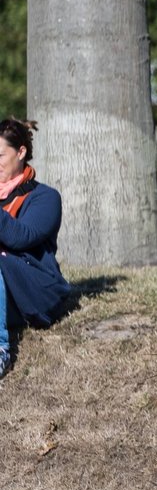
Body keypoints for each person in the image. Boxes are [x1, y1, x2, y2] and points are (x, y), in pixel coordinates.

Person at [0, 118, 69, 378]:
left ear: (21, 152)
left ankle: (1, 349)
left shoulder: (46, 197)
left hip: (35, 289)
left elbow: (22, 237)